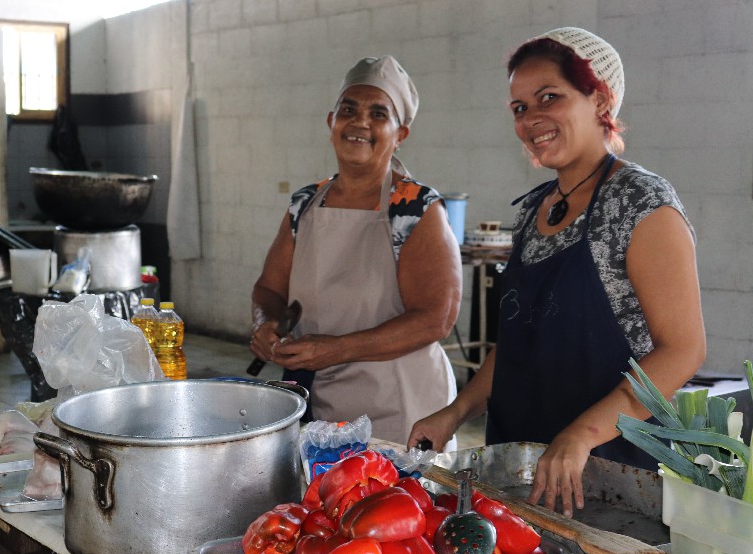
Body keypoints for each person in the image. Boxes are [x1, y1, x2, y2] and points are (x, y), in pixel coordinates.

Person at [408, 28, 706, 517]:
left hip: (611, 478)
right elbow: (518, 345)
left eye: (550, 97)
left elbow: (683, 350)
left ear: (599, 99)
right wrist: (455, 412)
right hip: (519, 467)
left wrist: (581, 434)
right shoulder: (534, 211)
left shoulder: (640, 202)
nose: (531, 118)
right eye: (520, 107)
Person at [250, 56, 463, 446]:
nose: (360, 122)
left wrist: (334, 350)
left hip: (401, 411)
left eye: (378, 113)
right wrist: (265, 324)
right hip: (323, 403)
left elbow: (436, 319)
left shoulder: (414, 207)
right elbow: (269, 289)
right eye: (349, 109)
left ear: (401, 134)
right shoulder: (305, 204)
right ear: (331, 122)